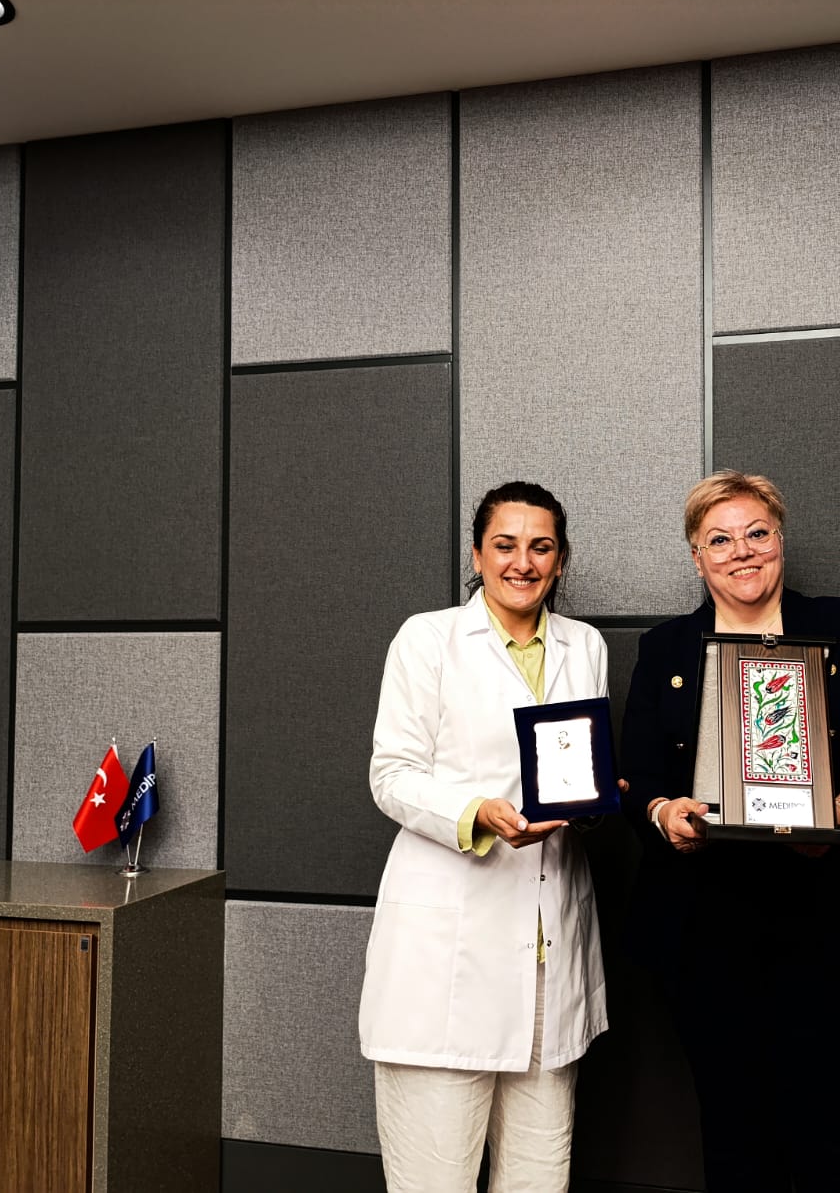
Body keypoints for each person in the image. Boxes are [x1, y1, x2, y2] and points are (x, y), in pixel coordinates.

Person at [621, 470, 840, 1192]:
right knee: (735, 1142)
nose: (742, 551)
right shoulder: (666, 649)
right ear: (696, 557)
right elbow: (639, 775)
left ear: (781, 540)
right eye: (719, 540)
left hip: (836, 920)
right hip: (707, 929)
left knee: (837, 1141)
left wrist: (839, 813)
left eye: (757, 533)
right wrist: (665, 814)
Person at [360, 481, 610, 1193]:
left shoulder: (585, 646)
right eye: (505, 545)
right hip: (448, 959)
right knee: (433, 1180)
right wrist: (477, 814)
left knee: (539, 1178)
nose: (522, 563)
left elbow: (576, 767)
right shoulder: (427, 639)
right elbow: (391, 775)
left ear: (560, 559)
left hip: (548, 957)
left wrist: (598, 800)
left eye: (541, 547)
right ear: (477, 554)